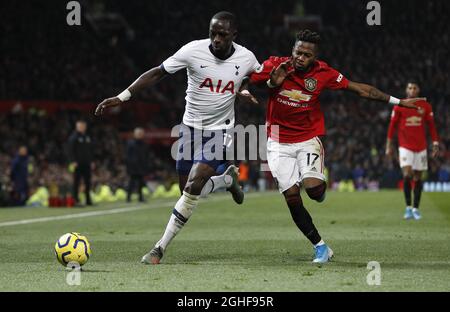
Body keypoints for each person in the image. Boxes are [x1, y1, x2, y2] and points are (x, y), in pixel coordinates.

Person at [95, 11, 261, 264]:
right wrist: (123, 96)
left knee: (193, 187)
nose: (216, 39)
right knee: (187, 190)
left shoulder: (246, 57)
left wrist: (247, 87)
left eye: (222, 35)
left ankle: (159, 248)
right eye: (213, 33)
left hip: (220, 130)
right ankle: (226, 181)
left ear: (233, 36)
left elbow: (258, 76)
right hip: (189, 129)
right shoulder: (193, 51)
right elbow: (157, 72)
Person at [250, 29, 422, 263]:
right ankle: (320, 246)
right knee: (291, 197)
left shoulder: (323, 73)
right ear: (292, 50)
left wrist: (399, 102)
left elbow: (361, 89)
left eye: (307, 55)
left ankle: (318, 186)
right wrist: (272, 81)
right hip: (277, 142)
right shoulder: (276, 65)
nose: (301, 58)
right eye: (298, 52)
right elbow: (251, 81)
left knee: (313, 191)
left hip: (307, 138)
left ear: (315, 57)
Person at [386, 81, 439, 220]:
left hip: (421, 147)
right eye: (409, 87)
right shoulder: (399, 105)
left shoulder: (425, 106)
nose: (412, 90)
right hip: (405, 146)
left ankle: (416, 208)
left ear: (418, 90)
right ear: (406, 90)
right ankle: (408, 207)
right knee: (407, 174)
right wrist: (388, 145)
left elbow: (431, 126)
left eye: (414, 88)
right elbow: (392, 127)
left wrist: (435, 143)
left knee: (417, 177)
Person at [68, 120, 94, 206]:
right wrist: (72, 161)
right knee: (76, 182)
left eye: (83, 126)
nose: (82, 128)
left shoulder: (87, 137)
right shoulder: (73, 137)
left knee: (87, 182)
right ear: (77, 127)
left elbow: (90, 150)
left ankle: (88, 200)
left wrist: (91, 161)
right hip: (77, 164)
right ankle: (75, 200)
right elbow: (70, 150)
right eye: (80, 126)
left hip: (86, 163)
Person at [126, 127, 150, 203]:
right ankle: (128, 197)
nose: (140, 135)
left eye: (141, 133)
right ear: (135, 134)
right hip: (133, 167)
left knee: (141, 182)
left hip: (141, 166)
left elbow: (146, 156)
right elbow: (127, 156)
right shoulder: (130, 143)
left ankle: (140, 197)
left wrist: (145, 165)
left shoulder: (144, 144)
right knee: (131, 182)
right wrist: (129, 166)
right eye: (139, 133)